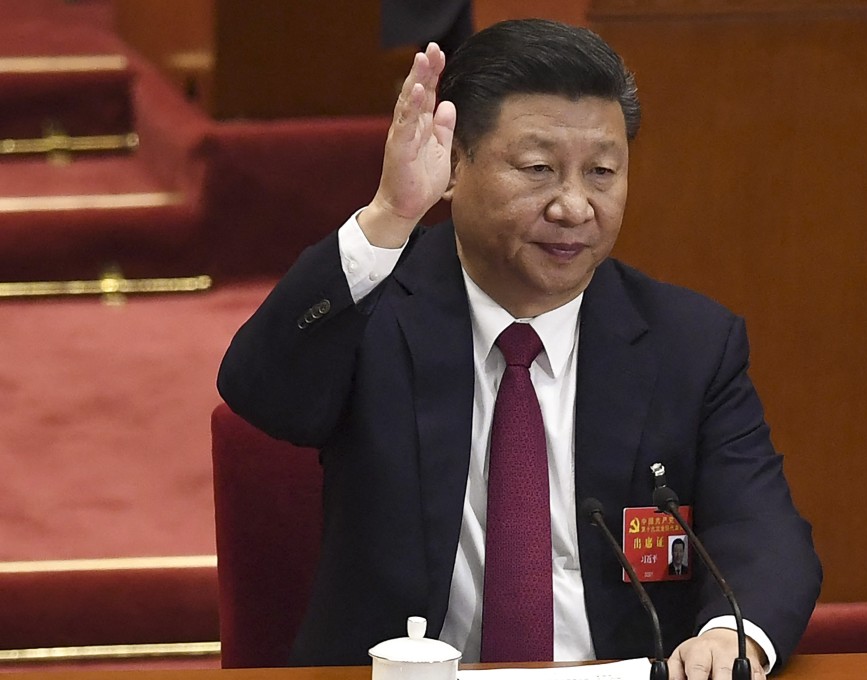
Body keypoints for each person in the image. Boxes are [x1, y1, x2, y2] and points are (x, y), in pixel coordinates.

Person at [218, 18, 821, 680]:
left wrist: (730, 638)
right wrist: (389, 215)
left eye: (602, 172)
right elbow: (261, 392)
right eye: (537, 169)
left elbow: (764, 534)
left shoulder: (690, 343)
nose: (573, 206)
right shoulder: (380, 310)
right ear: (455, 168)